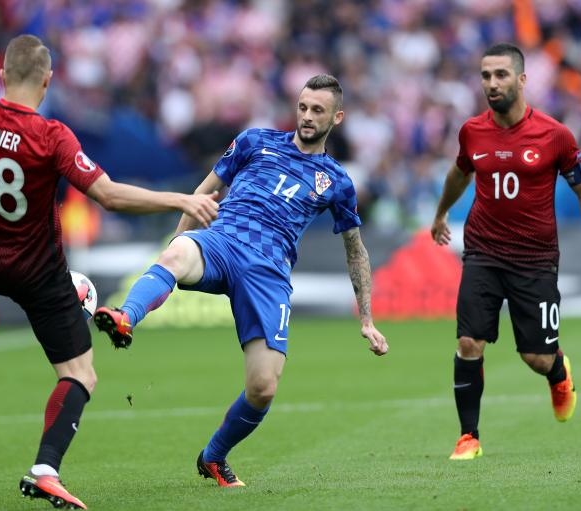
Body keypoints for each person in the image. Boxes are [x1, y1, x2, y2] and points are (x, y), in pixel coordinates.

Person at [0, 34, 219, 509]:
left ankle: (79, 294)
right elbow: (108, 195)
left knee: (75, 291)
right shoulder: (52, 137)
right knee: (81, 375)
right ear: (47, 81)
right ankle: (46, 470)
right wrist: (181, 198)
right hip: (36, 271)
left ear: (3, 75)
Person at [94, 74, 389, 487]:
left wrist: (367, 319)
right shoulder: (254, 141)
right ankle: (126, 317)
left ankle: (213, 457)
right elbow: (204, 191)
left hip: (269, 273)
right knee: (177, 253)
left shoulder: (337, 181)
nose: (306, 116)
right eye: (303, 107)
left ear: (336, 117)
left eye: (317, 110)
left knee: (263, 387)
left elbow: (355, 250)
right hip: (223, 241)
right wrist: (179, 239)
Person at [430, 43, 581, 460]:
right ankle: (468, 437)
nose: (491, 84)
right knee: (468, 342)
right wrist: (441, 213)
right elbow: (460, 173)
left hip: (534, 260)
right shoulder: (472, 131)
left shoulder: (555, 134)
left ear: (522, 79)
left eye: (500, 75)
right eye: (485, 76)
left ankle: (557, 370)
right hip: (482, 252)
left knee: (535, 356)